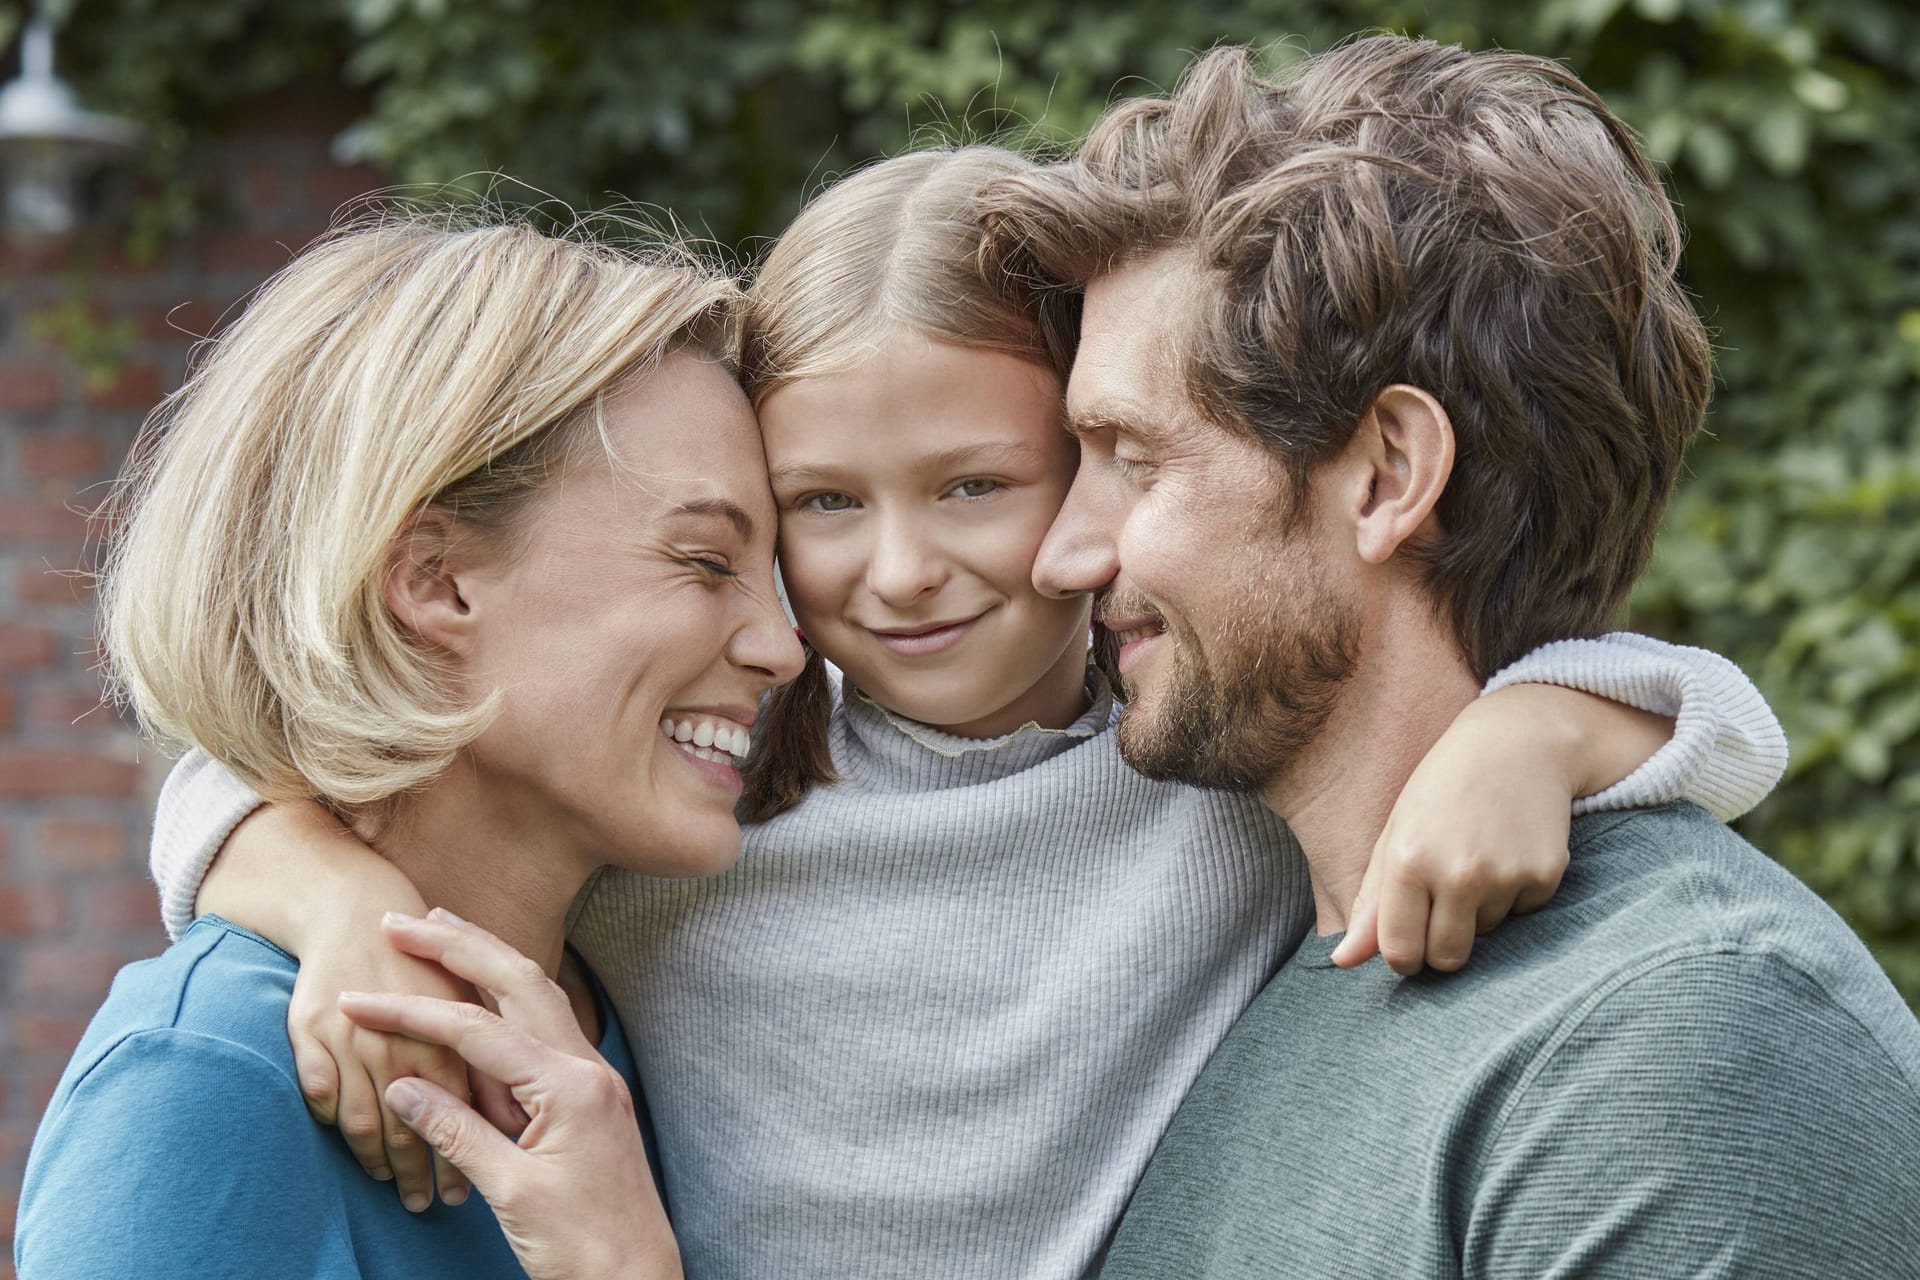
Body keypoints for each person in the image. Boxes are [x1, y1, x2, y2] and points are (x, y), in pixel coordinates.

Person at [153, 147, 1785, 1279]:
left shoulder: (1199, 776)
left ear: (1094, 461)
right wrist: (345, 903)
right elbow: (230, 786)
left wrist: (1537, 734)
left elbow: (1711, 715)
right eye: (821, 506)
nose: (903, 572)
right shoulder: (701, 817)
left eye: (977, 485)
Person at [970, 35, 1920, 1276]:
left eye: (1134, 459)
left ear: (1389, 475)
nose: (1060, 554)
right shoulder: (1253, 966)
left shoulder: (1686, 1040)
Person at [12, 215, 804, 1279]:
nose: (785, 647)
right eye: (707, 560)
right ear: (435, 580)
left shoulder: (630, 999)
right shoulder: (203, 1082)